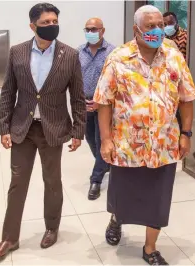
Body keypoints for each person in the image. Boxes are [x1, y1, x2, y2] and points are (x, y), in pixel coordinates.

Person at [94, 5, 195, 265]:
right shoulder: (119, 57)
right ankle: (117, 218)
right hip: (127, 144)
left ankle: (150, 247)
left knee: (159, 199)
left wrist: (186, 133)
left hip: (164, 144)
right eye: (150, 26)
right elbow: (104, 102)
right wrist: (106, 139)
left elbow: (186, 98)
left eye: (160, 24)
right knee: (123, 194)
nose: (157, 30)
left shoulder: (174, 56)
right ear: (135, 29)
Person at [0, 3, 86, 259]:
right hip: (23, 128)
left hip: (53, 129)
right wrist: (3, 127)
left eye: (54, 20)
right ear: (32, 26)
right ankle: (9, 239)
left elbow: (77, 97)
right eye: (45, 22)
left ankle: (51, 228)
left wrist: (78, 131)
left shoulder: (70, 55)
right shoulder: (17, 52)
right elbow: (8, 91)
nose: (52, 25)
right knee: (17, 183)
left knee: (52, 181)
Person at [78, 18, 115, 200]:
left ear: (103, 30)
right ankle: (104, 164)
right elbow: (74, 78)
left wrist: (100, 102)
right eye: (88, 29)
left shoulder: (113, 52)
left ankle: (96, 180)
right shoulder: (79, 52)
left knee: (102, 140)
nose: (91, 32)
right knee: (90, 140)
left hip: (105, 105)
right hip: (84, 103)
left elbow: (117, 82)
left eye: (95, 29)